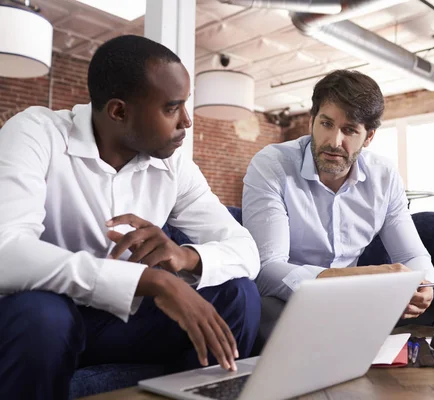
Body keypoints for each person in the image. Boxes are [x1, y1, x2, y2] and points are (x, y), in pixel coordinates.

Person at [0, 35, 261, 399]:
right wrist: (150, 281)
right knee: (43, 315)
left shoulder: (174, 164)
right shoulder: (35, 133)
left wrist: (187, 257)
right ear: (119, 111)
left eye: (185, 104)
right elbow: (6, 251)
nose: (186, 121)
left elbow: (246, 249)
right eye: (172, 108)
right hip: (47, 320)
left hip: (123, 324)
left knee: (239, 295)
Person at [242, 70, 434, 333]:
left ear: (368, 137)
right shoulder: (272, 164)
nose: (334, 141)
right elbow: (267, 269)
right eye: (326, 124)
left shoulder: (384, 176)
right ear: (312, 121)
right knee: (263, 312)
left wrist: (423, 285)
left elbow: (411, 254)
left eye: (349, 130)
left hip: (363, 299)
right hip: (297, 300)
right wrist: (360, 277)